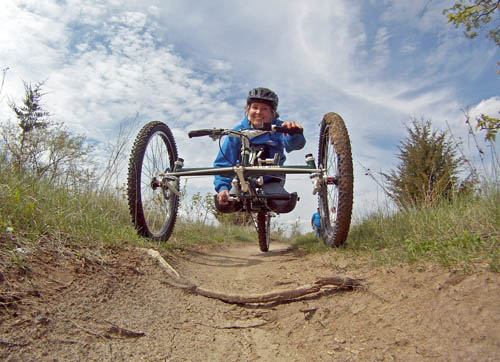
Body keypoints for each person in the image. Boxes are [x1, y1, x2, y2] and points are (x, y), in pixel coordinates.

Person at [214, 87, 306, 213]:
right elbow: (224, 162)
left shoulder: (279, 128)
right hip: (243, 182)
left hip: (271, 180)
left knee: (283, 203)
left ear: (272, 113)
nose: (258, 112)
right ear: (248, 109)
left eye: (264, 109)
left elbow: (293, 145)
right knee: (226, 204)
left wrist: (293, 133)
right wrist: (223, 188)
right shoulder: (237, 132)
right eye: (255, 107)